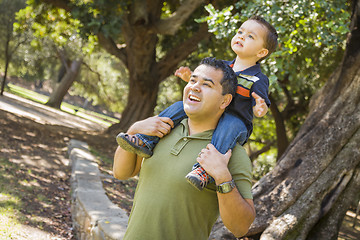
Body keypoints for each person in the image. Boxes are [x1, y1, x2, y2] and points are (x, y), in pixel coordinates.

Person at [117, 15, 278, 190]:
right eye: (240, 31)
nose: (241, 36)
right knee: (179, 107)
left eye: (250, 36)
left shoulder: (258, 78)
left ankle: (204, 170)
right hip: (212, 112)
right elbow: (206, 86)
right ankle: (146, 140)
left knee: (229, 126)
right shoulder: (223, 68)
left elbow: (260, 102)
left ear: (261, 52)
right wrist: (191, 80)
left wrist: (260, 108)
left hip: (236, 120)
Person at [113, 57, 255, 239]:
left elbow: (241, 227)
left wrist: (222, 176)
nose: (195, 87)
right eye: (193, 80)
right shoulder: (162, 129)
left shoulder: (229, 154)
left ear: (224, 101)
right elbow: (121, 172)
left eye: (207, 85)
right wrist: (134, 129)